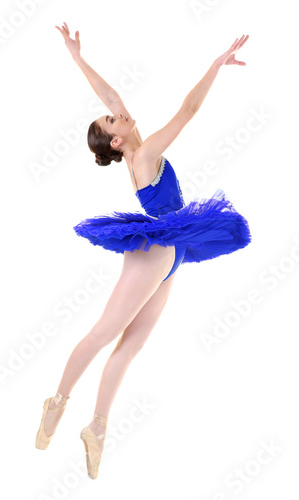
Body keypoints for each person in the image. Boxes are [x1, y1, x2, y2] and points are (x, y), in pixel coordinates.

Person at [35, 22, 251, 480]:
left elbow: (109, 93)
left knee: (129, 347)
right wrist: (215, 65)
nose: (117, 111)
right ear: (115, 139)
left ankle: (97, 427)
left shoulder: (133, 143)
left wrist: (76, 58)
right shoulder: (146, 152)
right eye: (112, 119)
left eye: (114, 113)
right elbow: (188, 111)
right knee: (103, 334)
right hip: (156, 249)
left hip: (173, 256)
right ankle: (58, 401)